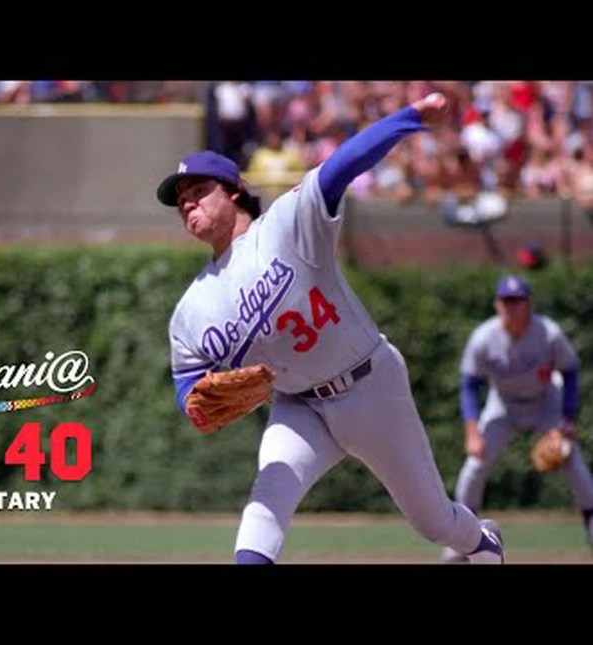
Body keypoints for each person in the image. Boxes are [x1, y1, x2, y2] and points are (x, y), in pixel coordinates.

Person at [156, 92, 505, 564]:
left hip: (370, 386)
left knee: (433, 522)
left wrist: (411, 117)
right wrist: (193, 404)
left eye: (198, 191)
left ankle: (483, 544)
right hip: (298, 406)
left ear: (234, 189)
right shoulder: (191, 309)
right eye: (181, 201)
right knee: (266, 501)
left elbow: (343, 164)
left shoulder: (286, 224)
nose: (188, 204)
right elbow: (187, 381)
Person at [441, 275, 593, 562]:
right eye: (506, 300)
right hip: (503, 405)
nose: (512, 306)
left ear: (529, 304)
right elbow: (469, 384)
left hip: (546, 402)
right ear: (497, 304)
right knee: (475, 466)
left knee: (573, 461)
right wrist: (472, 431)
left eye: (518, 300)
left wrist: (567, 420)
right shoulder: (484, 338)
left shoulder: (548, 333)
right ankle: (461, 539)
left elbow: (570, 370)